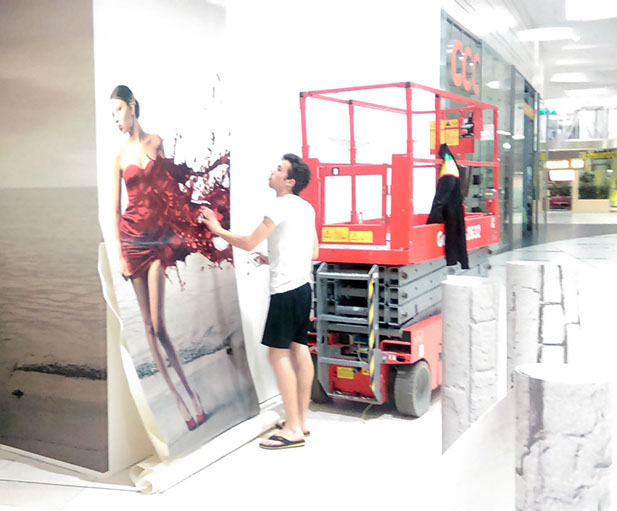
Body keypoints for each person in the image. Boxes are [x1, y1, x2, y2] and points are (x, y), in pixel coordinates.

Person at [110, 85, 215, 431]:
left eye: (118, 110)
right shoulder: (118, 157)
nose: (116, 118)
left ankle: (192, 393)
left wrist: (190, 221)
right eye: (112, 113)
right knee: (146, 326)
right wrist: (120, 254)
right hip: (132, 241)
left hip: (157, 241)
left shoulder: (156, 142)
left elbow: (172, 193)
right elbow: (115, 210)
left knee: (160, 326)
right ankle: (177, 399)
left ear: (132, 106)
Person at [199, 154, 318, 449]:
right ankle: (300, 421)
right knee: (299, 349)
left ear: (289, 181)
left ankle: (292, 429)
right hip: (303, 288)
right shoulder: (305, 207)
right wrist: (273, 258)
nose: (272, 172)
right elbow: (314, 251)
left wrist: (217, 230)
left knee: (277, 356)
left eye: (278, 169)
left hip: (285, 291)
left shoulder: (278, 206)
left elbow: (250, 242)